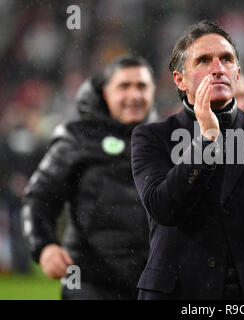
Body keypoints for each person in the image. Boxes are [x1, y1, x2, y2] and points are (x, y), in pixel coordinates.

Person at [131, 20, 244, 300]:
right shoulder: (152, 137)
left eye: (226, 59)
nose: (218, 68)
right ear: (179, 79)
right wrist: (206, 140)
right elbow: (164, 208)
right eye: (204, 60)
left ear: (237, 73)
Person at [20, 55, 155, 299]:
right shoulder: (77, 138)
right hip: (87, 284)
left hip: (150, 286)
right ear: (105, 92)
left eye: (142, 86)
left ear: (152, 92)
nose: (134, 95)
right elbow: (38, 197)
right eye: (124, 86)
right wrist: (44, 246)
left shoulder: (165, 141)